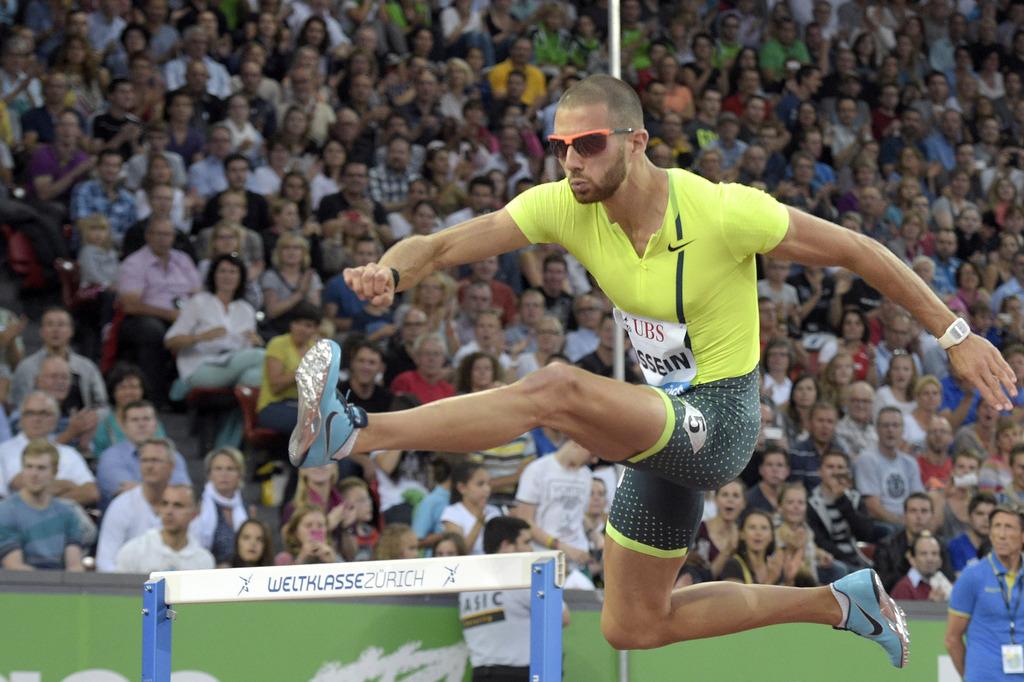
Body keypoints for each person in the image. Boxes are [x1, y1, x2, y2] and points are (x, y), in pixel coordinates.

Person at [296, 74, 1017, 666]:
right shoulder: (564, 204)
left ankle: (354, 432)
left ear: (636, 143)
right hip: (661, 427)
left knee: (554, 387)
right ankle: (840, 602)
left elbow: (859, 249)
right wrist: (391, 270)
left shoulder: (723, 212)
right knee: (633, 625)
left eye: (589, 145)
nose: (572, 162)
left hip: (722, 418)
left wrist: (954, 333)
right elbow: (446, 244)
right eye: (560, 147)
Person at [459, 515, 568, 682]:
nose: (531, 549)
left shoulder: (468, 584)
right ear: (506, 545)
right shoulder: (520, 579)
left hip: (480, 674)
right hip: (520, 674)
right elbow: (563, 616)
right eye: (526, 542)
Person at [946, 506, 1024, 681]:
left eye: (1009, 527)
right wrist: (971, 675)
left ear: (1022, 536)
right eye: (996, 526)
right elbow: (952, 639)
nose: (1001, 535)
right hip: (984, 676)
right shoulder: (972, 576)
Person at [94, 436, 181, 572]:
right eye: (144, 460)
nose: (149, 466)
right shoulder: (121, 505)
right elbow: (105, 561)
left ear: (171, 466)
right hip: (128, 585)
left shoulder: (182, 505)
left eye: (156, 460)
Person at [0, 392, 97, 507]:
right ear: (21, 419)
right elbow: (22, 484)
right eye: (30, 413)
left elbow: (91, 493)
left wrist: (48, 508)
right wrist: (68, 485)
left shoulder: (70, 453)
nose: (37, 419)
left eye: (44, 413)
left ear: (56, 419)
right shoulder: (4, 451)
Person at [0, 439, 84, 570]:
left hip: (61, 586)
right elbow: (14, 567)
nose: (34, 474)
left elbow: (75, 565)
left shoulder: (68, 513)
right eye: (29, 467)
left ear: (54, 472)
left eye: (41, 468)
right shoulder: (5, 511)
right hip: (20, 588)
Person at [515, 440, 594, 573]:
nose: (595, 460)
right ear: (577, 444)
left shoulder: (586, 474)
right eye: (592, 454)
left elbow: (579, 514)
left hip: (579, 558)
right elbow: (525, 520)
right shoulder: (537, 470)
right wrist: (561, 547)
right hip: (544, 557)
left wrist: (594, 534)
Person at [95, 400, 191, 507]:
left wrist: (138, 488)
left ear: (156, 425)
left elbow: (182, 493)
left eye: (146, 419)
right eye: (134, 420)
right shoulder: (110, 457)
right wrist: (165, 491)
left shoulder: (174, 456)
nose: (141, 424)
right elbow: (126, 495)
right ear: (124, 427)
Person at [115, 484, 215, 573]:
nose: (169, 511)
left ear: (195, 512)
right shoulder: (133, 551)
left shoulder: (204, 560)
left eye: (178, 505)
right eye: (164, 504)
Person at [807, 451, 875, 572]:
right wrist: (848, 561)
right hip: (830, 561)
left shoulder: (854, 498)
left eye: (840, 467)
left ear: (847, 472)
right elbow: (820, 541)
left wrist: (842, 500)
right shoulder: (810, 502)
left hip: (858, 557)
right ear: (820, 472)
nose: (835, 472)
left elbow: (866, 533)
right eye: (830, 467)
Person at [873, 492, 955, 591]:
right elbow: (880, 585)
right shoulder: (886, 546)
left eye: (924, 511)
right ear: (904, 515)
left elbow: (949, 579)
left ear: (932, 516)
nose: (918, 516)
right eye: (913, 511)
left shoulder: (940, 545)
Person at [195, 446, 248, 566]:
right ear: (209, 474)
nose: (224, 474)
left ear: (239, 475)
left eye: (230, 469)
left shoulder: (247, 509)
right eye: (218, 469)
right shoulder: (199, 505)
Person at [441, 461, 501, 555]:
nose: (487, 489)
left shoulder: (494, 511)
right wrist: (479, 522)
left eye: (489, 484)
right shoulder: (452, 513)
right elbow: (460, 552)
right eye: (480, 484)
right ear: (462, 488)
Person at [890, 531, 953, 602]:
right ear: (912, 559)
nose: (930, 559)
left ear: (940, 560)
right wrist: (932, 605)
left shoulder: (945, 584)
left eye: (934, 553)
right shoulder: (903, 589)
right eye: (923, 554)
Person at [948, 491, 997, 574]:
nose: (986, 519)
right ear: (969, 517)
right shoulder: (955, 546)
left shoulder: (1002, 546)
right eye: (980, 514)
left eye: (991, 515)